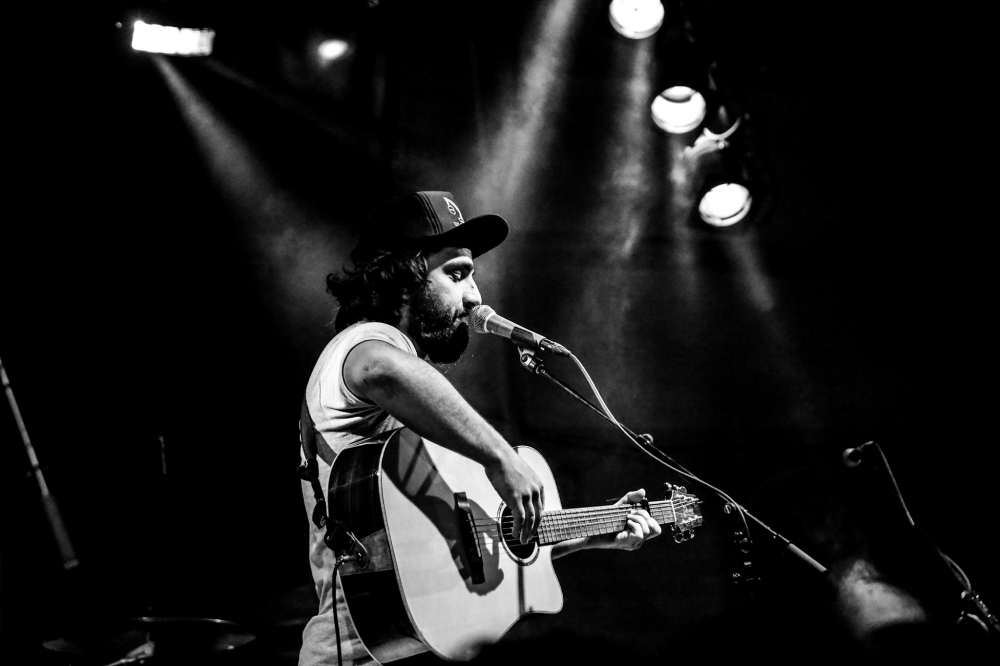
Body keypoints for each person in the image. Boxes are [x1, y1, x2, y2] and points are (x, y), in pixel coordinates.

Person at [298, 191, 660, 666]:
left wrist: (596, 531)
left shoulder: (415, 414)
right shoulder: (364, 342)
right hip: (360, 656)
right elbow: (377, 367)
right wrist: (501, 457)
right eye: (456, 274)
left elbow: (481, 549)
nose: (475, 297)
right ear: (402, 278)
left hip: (414, 646)